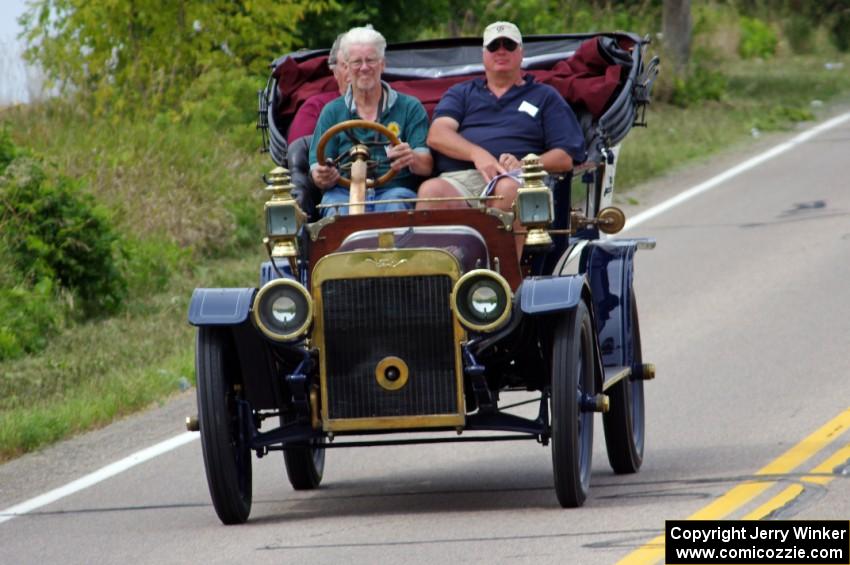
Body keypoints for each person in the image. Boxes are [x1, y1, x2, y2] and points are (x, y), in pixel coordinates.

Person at [417, 21, 586, 253]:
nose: (502, 50)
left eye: (509, 44)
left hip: (519, 179)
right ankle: (445, 279)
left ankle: (502, 282)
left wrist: (526, 164)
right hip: (462, 178)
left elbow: (565, 156)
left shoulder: (545, 96)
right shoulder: (462, 93)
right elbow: (438, 134)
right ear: (484, 55)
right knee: (430, 192)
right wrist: (478, 154)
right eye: (494, 46)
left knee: (508, 190)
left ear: (521, 53)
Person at [308, 26, 433, 216]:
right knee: (334, 211)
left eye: (371, 60)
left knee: (396, 206)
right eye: (357, 62)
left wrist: (411, 158)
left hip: (394, 192)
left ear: (382, 64)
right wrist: (323, 176)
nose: (364, 68)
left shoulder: (410, 107)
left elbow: (426, 166)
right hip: (342, 193)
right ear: (347, 69)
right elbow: (317, 170)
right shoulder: (332, 111)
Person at [287, 34, 348, 144]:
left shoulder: (388, 103)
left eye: (369, 61)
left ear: (381, 65)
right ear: (335, 71)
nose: (358, 70)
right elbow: (300, 153)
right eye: (346, 65)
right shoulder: (316, 107)